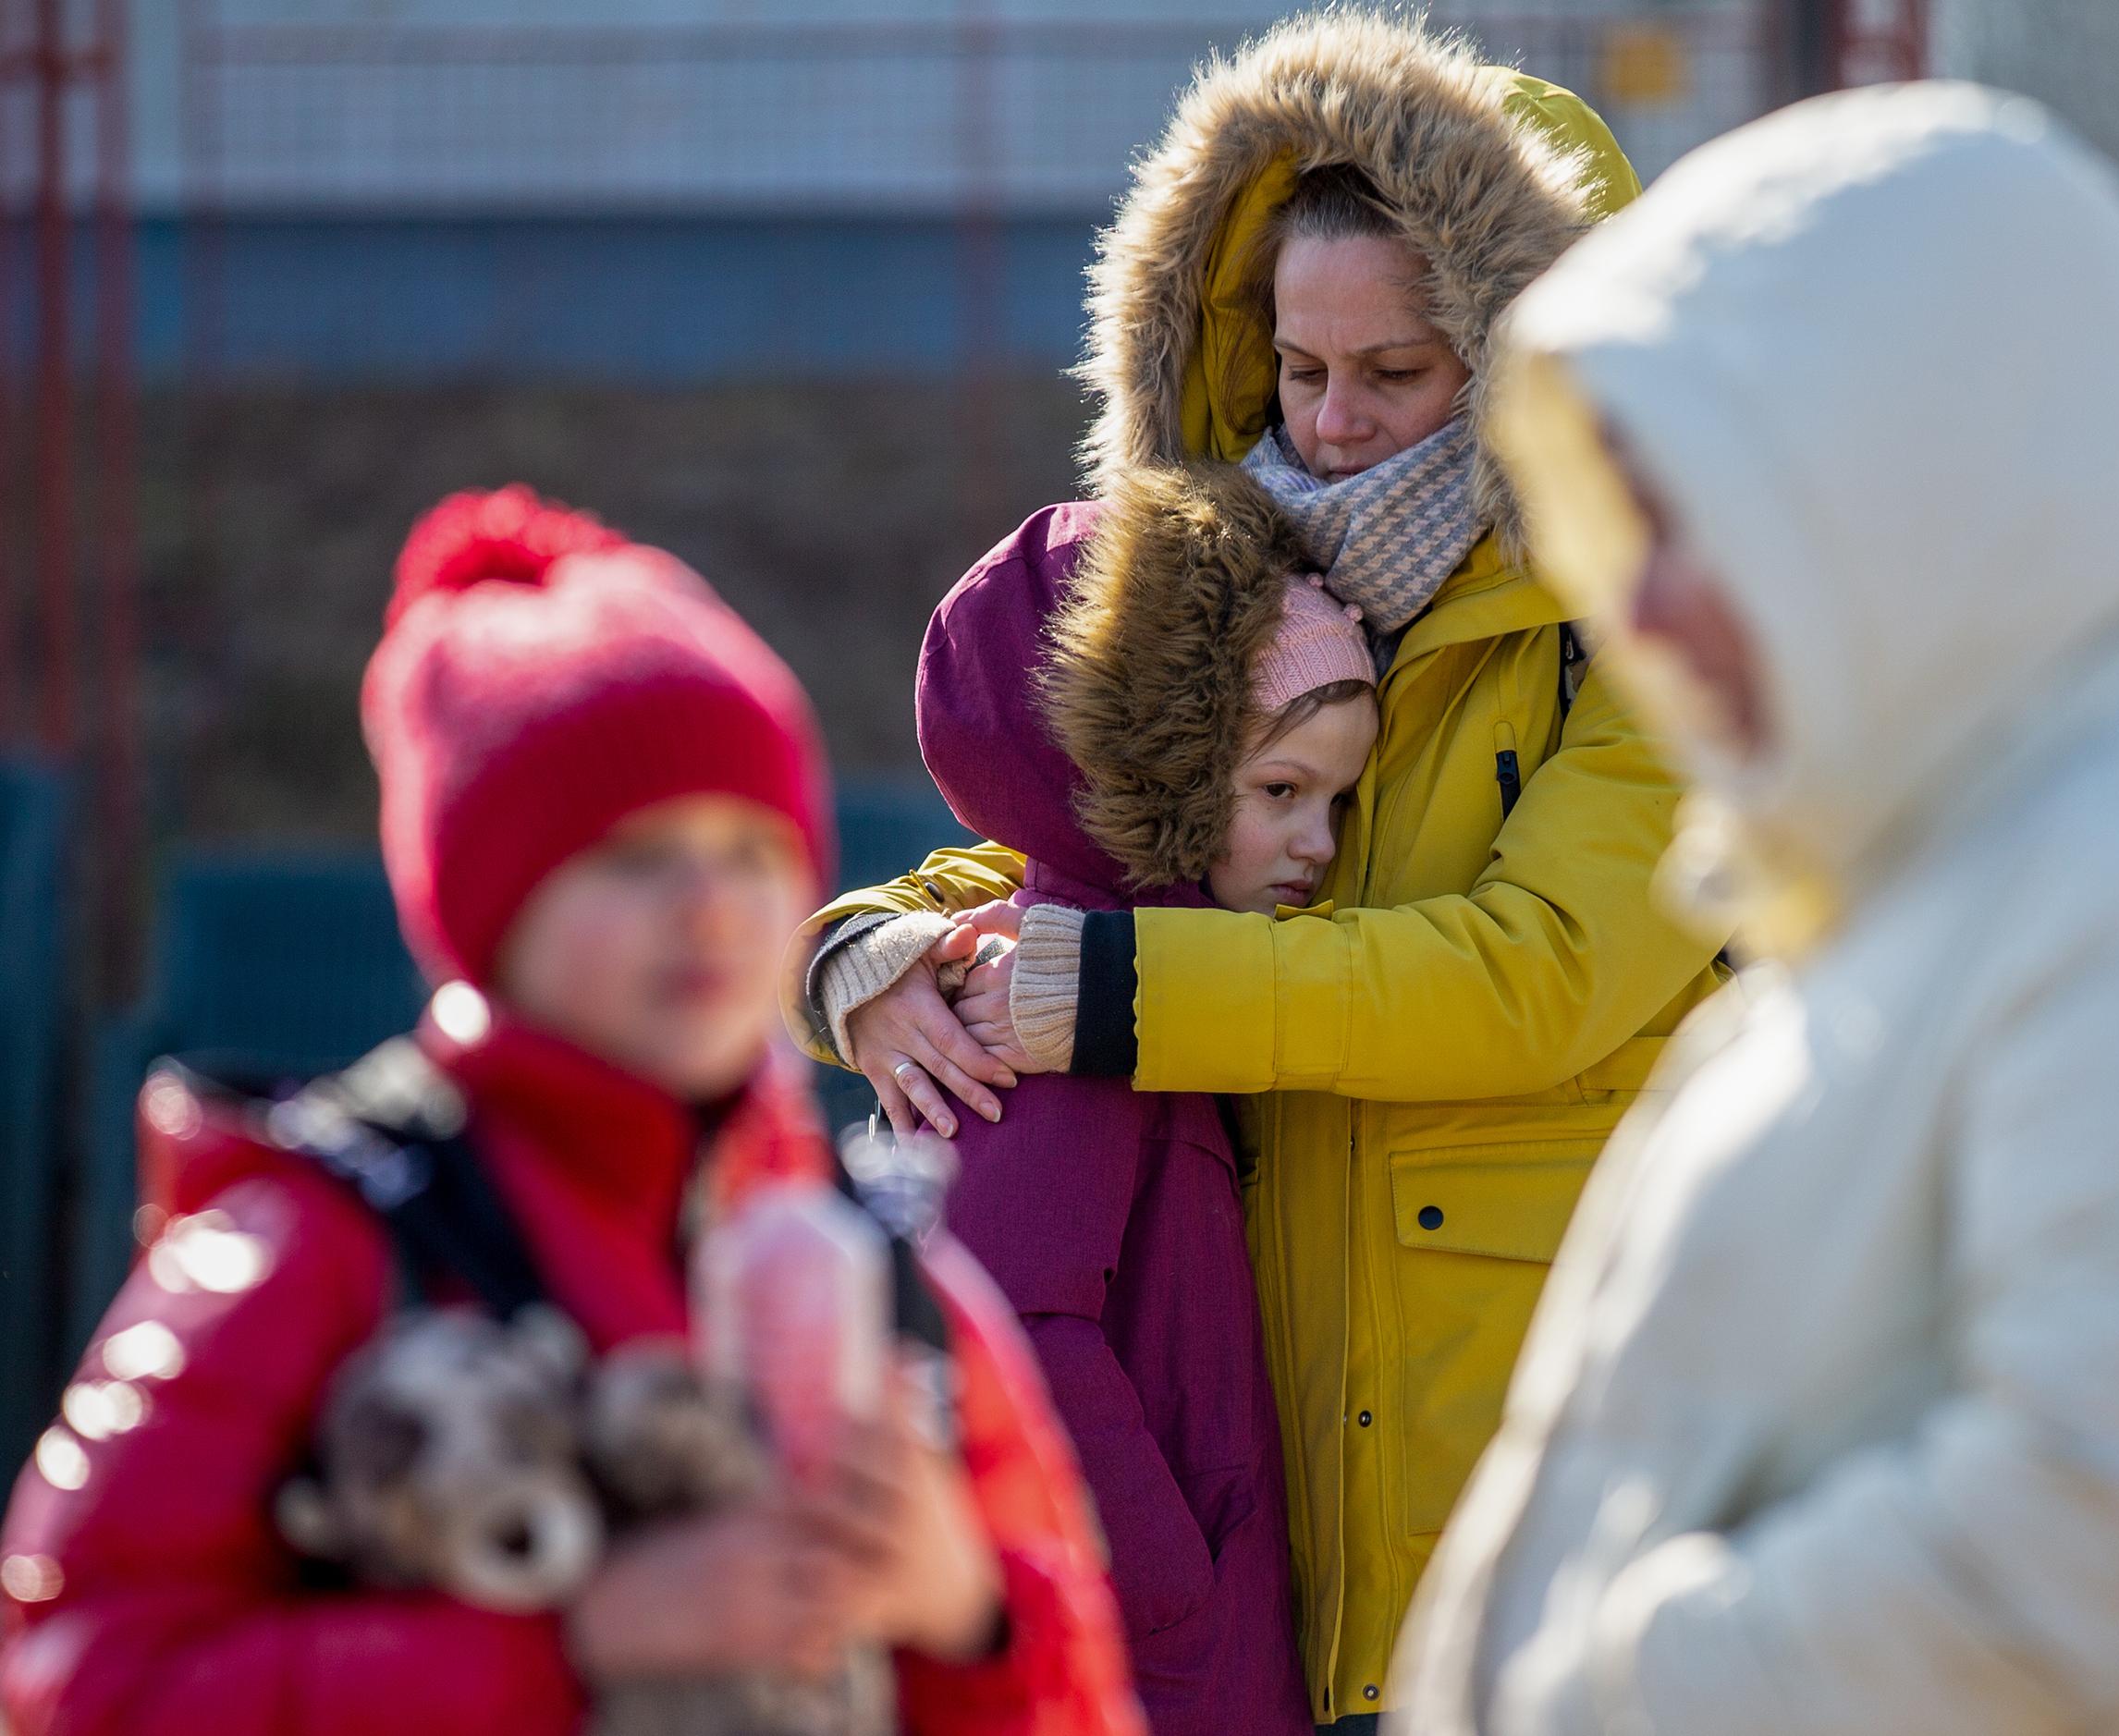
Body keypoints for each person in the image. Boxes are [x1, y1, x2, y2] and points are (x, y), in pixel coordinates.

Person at [1389, 82, 2119, 1735]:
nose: (1637, 601)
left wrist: (1618, 1692)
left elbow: (2102, 1530)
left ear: (1908, 468)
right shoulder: (1933, 851)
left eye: (1705, 511)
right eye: (1630, 522)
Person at [782, 14, 1726, 1723]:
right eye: (1300, 368)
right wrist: (865, 955)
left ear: (1528, 356)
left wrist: (1120, 996)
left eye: (1399, 372)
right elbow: (1081, 841)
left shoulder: (1650, 632)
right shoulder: (1259, 590)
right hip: (1278, 1479)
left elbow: (1530, 978)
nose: (1337, 422)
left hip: (1545, 1481)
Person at [0, 488, 1145, 1736]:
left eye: (752, 851)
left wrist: (965, 1612)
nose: (709, 904)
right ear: (491, 904)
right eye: (634, 855)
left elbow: (1081, 1700)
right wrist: (575, 1642)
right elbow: (78, 1682)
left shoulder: (885, 1284)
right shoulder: (313, 1246)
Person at [891, 463, 1377, 1733]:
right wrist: (1172, 1593)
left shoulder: (1151, 982)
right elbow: (1011, 1329)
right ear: (1150, 768)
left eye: (1337, 798)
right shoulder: (1052, 1008)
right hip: (1157, 1670)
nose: (1318, 843)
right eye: (1280, 791)